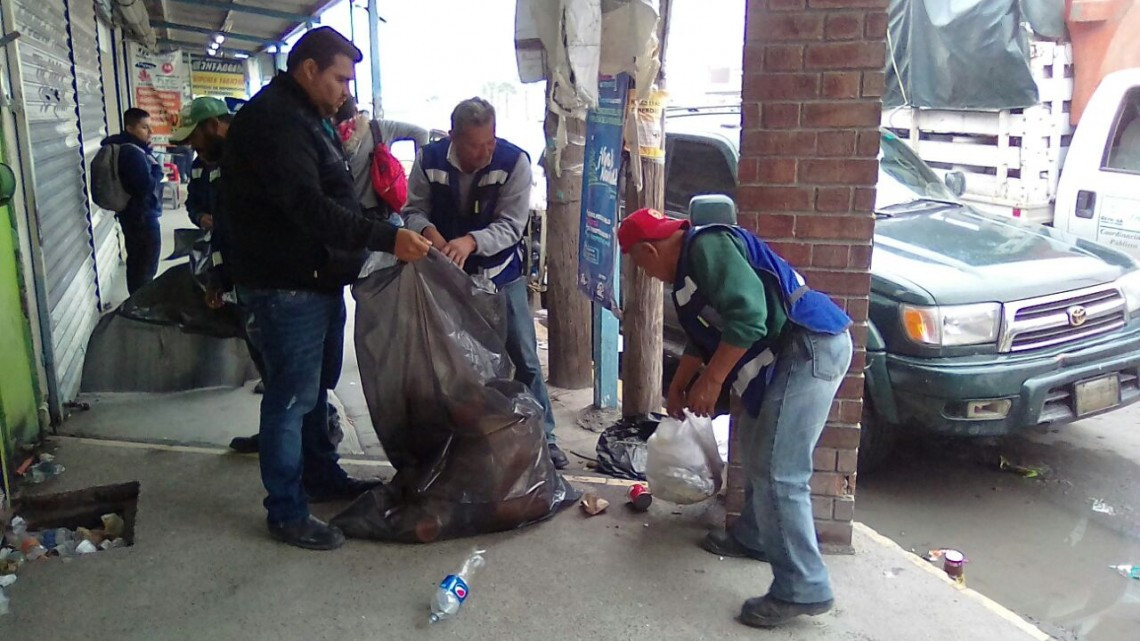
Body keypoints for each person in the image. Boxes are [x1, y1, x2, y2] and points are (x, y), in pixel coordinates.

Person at [221, 26, 432, 550]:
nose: (345, 91)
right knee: (291, 397)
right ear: (308, 69)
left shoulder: (308, 116)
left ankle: (320, 477)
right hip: (285, 285)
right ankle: (286, 511)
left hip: (316, 278)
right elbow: (309, 207)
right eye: (339, 78)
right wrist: (386, 237)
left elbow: (335, 196)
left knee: (314, 390)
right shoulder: (276, 121)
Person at [617, 200, 853, 629]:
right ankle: (755, 536)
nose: (646, 274)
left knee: (781, 471)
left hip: (810, 349)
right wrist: (679, 383)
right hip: (795, 353)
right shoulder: (689, 272)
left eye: (641, 266)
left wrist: (711, 381)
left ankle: (803, 586)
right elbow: (704, 333)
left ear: (648, 251)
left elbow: (749, 317)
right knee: (757, 446)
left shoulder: (706, 247)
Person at [402, 98, 568, 470]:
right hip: (445, 279)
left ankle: (546, 438)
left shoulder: (514, 162)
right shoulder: (429, 160)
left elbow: (511, 225)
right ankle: (467, 441)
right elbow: (412, 210)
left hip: (501, 276)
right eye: (475, 145)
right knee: (456, 363)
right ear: (453, 137)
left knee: (523, 358)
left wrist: (471, 242)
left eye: (490, 141)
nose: (485, 152)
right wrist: (430, 234)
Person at [334, 96, 429, 226]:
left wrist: (417, 176)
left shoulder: (377, 129)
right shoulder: (377, 128)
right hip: (357, 217)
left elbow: (421, 134)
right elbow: (421, 134)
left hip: (376, 217)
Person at [100, 108, 164, 294]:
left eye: (150, 127)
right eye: (144, 127)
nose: (150, 132)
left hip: (132, 216)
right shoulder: (132, 153)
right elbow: (145, 186)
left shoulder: (128, 148)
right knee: (145, 267)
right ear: (130, 128)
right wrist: (157, 171)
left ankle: (136, 302)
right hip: (142, 217)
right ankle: (140, 304)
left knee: (137, 263)